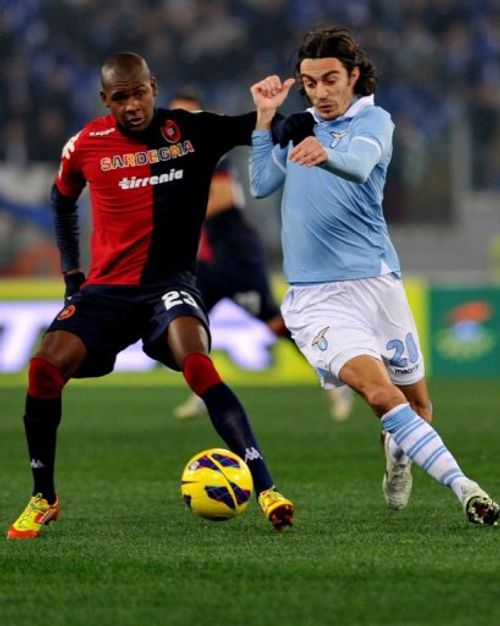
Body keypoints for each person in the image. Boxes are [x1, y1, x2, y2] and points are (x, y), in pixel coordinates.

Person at [6, 52, 294, 540]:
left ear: (153, 86)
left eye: (139, 92)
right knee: (43, 368)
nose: (133, 105)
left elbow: (261, 128)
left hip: (169, 286)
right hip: (106, 293)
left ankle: (266, 489)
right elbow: (61, 201)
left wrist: (281, 114)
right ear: (105, 100)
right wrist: (73, 275)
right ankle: (43, 495)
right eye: (121, 97)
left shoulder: (191, 131)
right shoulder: (85, 145)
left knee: (198, 363)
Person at [248, 26, 499, 525]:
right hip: (317, 299)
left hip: (378, 285)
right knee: (381, 395)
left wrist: (327, 154)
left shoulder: (374, 120)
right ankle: (467, 489)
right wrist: (265, 120)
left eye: (330, 79)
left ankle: (398, 452)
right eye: (309, 82)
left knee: (418, 407)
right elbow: (259, 184)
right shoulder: (299, 125)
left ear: (354, 75)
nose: (320, 92)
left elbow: (361, 166)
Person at [168, 90, 354, 422]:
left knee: (274, 324)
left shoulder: (212, 154)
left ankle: (335, 379)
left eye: (192, 115)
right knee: (188, 325)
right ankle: (204, 394)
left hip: (237, 259)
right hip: (207, 264)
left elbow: (224, 198)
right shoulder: (173, 159)